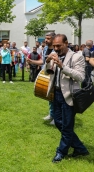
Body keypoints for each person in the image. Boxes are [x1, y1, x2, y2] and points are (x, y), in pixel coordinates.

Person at [45, 34, 89, 163]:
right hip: (56, 93)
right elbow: (48, 72)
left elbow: (80, 77)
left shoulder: (77, 57)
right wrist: (48, 62)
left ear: (66, 43)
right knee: (58, 122)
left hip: (69, 95)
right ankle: (80, 148)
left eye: (58, 46)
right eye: (54, 46)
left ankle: (61, 152)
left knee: (67, 126)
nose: (56, 48)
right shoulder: (54, 55)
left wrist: (62, 67)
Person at [27, 32, 56, 124]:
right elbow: (43, 62)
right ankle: (51, 114)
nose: (46, 40)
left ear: (53, 38)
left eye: (48, 38)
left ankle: (57, 118)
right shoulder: (46, 48)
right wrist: (31, 61)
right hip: (47, 74)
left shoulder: (57, 48)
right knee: (49, 95)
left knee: (56, 96)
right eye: (45, 38)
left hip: (56, 74)